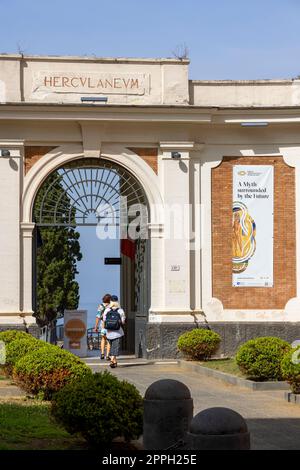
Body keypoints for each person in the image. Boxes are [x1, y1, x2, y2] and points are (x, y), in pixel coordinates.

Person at [102, 295, 125, 368]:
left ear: (111, 301)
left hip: (109, 332)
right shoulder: (120, 310)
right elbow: (123, 321)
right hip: (117, 332)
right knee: (115, 347)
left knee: (112, 346)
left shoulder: (107, 310)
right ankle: (112, 360)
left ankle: (114, 361)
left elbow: (104, 320)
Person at [94, 293, 111, 360]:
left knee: (103, 338)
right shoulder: (111, 306)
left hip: (103, 324)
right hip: (110, 325)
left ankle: (102, 354)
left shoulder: (101, 306)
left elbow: (98, 316)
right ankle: (107, 355)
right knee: (109, 340)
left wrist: (95, 326)